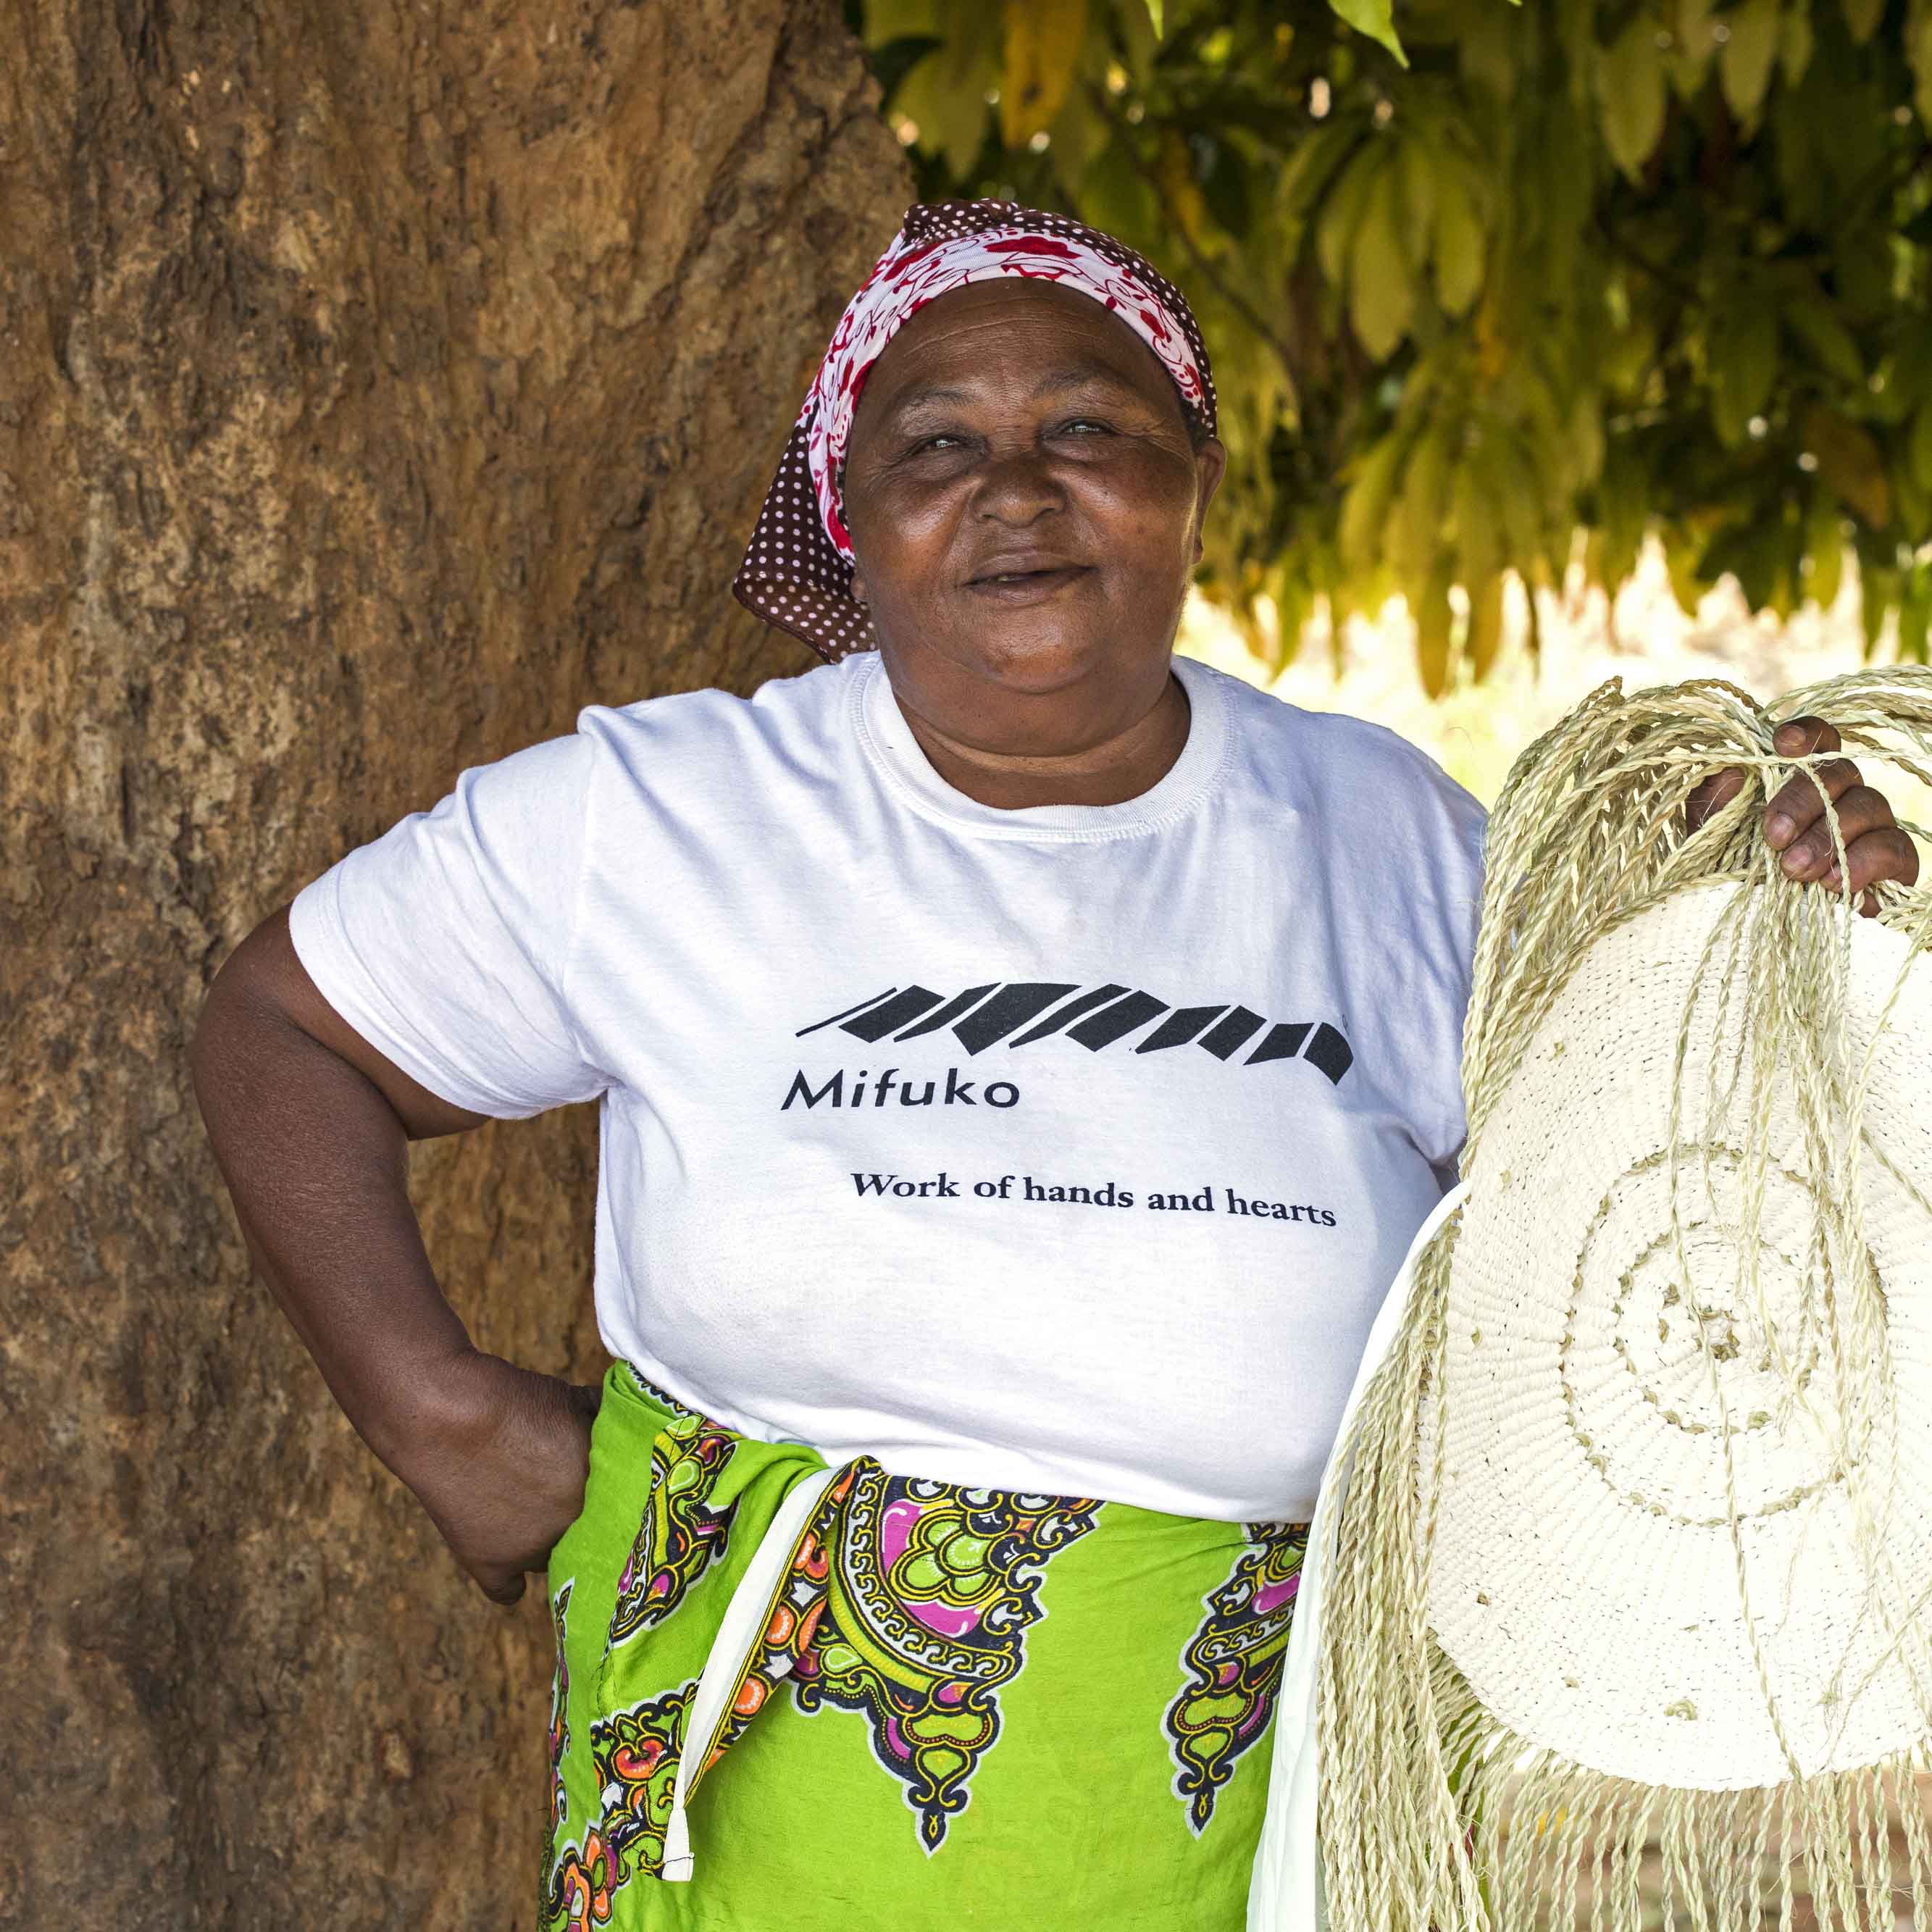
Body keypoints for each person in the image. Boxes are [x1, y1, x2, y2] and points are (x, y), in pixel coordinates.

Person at [189, 199, 1920, 1932]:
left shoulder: (1389, 837)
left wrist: (1767, 942)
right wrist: (436, 1412)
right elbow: (284, 1027)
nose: (1015, 489)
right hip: (769, 1828)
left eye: (1087, 428)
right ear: (848, 517)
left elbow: (1668, 1211)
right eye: (936, 443)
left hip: (1274, 1814)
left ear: (1186, 484)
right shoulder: (654, 819)